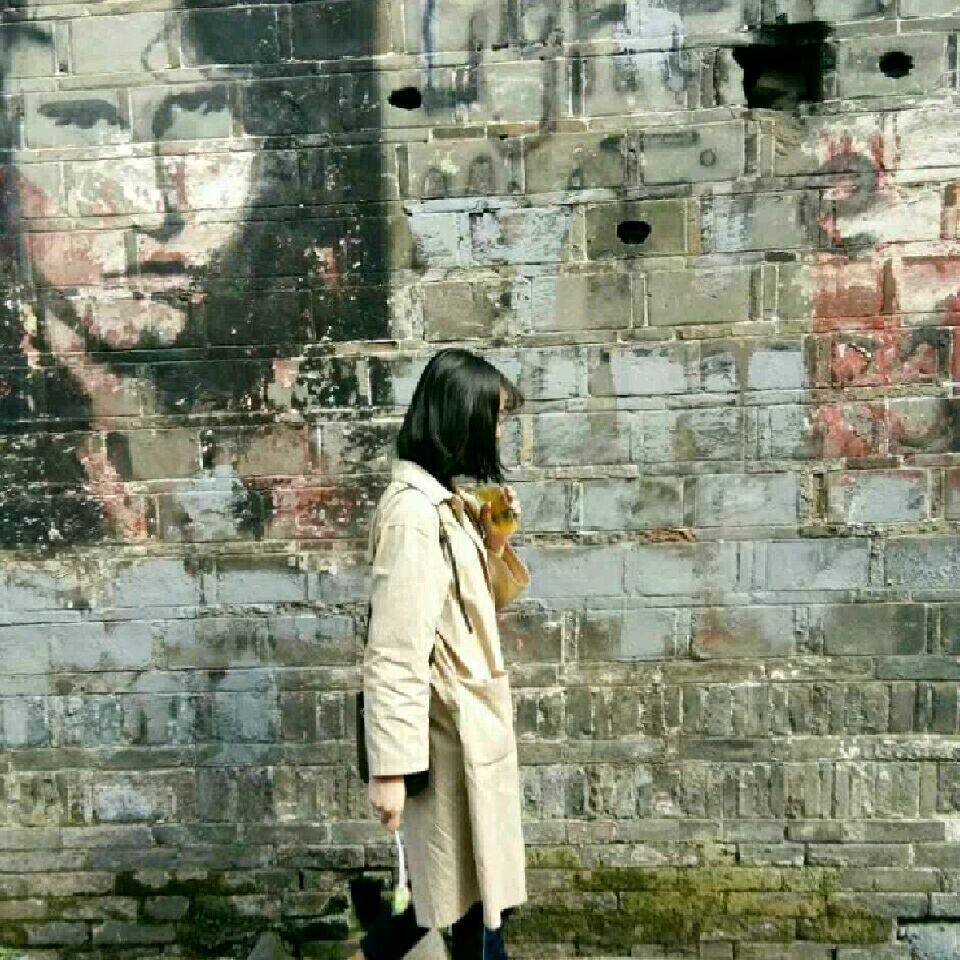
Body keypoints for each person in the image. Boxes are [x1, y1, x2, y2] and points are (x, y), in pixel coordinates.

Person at [357, 348, 529, 960]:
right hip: (447, 736)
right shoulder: (412, 515)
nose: (499, 434)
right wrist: (389, 772)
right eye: (495, 420)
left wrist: (495, 543)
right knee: (467, 910)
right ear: (463, 422)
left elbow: (477, 611)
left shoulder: (443, 503)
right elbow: (394, 651)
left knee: (461, 901)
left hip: (471, 732)